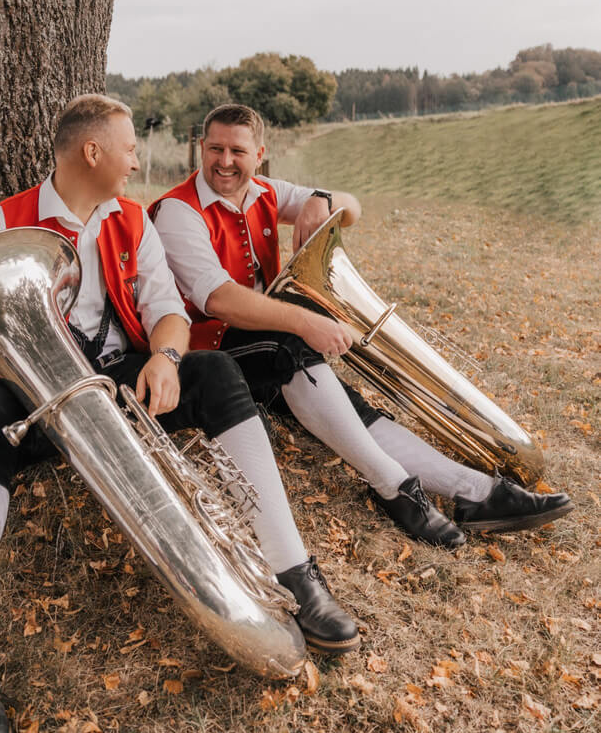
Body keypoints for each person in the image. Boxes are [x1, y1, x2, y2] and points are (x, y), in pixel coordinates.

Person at [0, 96, 361, 733]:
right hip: (35, 391)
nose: (137, 160)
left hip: (119, 380)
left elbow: (168, 309)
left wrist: (163, 356)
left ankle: (296, 572)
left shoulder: (132, 218)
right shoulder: (5, 220)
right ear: (92, 151)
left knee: (215, 373)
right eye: (129, 148)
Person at [150, 103, 573, 552]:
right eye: (215, 148)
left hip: (271, 344)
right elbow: (220, 301)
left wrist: (322, 200)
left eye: (238, 150)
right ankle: (393, 486)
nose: (225, 161)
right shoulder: (178, 211)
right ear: (201, 147)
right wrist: (309, 322)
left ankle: (477, 493)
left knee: (354, 412)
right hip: (212, 352)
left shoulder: (264, 190)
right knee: (294, 346)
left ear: (259, 153)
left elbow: (351, 206)